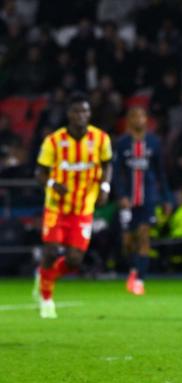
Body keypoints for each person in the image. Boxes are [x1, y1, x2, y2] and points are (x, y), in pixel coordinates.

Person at [32, 92, 113, 318]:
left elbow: (107, 165)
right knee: (50, 250)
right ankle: (46, 299)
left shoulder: (101, 139)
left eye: (85, 111)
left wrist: (105, 187)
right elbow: (39, 171)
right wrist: (51, 183)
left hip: (83, 207)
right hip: (56, 206)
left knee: (75, 260)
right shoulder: (54, 141)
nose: (81, 115)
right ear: (69, 114)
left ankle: (45, 275)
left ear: (89, 114)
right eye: (76, 111)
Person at [114, 106, 172, 295]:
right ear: (129, 120)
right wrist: (121, 195)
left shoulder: (154, 143)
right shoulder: (122, 144)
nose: (138, 119)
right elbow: (116, 173)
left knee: (144, 235)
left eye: (141, 115)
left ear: (146, 119)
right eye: (134, 116)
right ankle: (133, 269)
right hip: (128, 200)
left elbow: (161, 173)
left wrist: (166, 199)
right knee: (128, 242)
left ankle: (139, 280)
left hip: (148, 198)